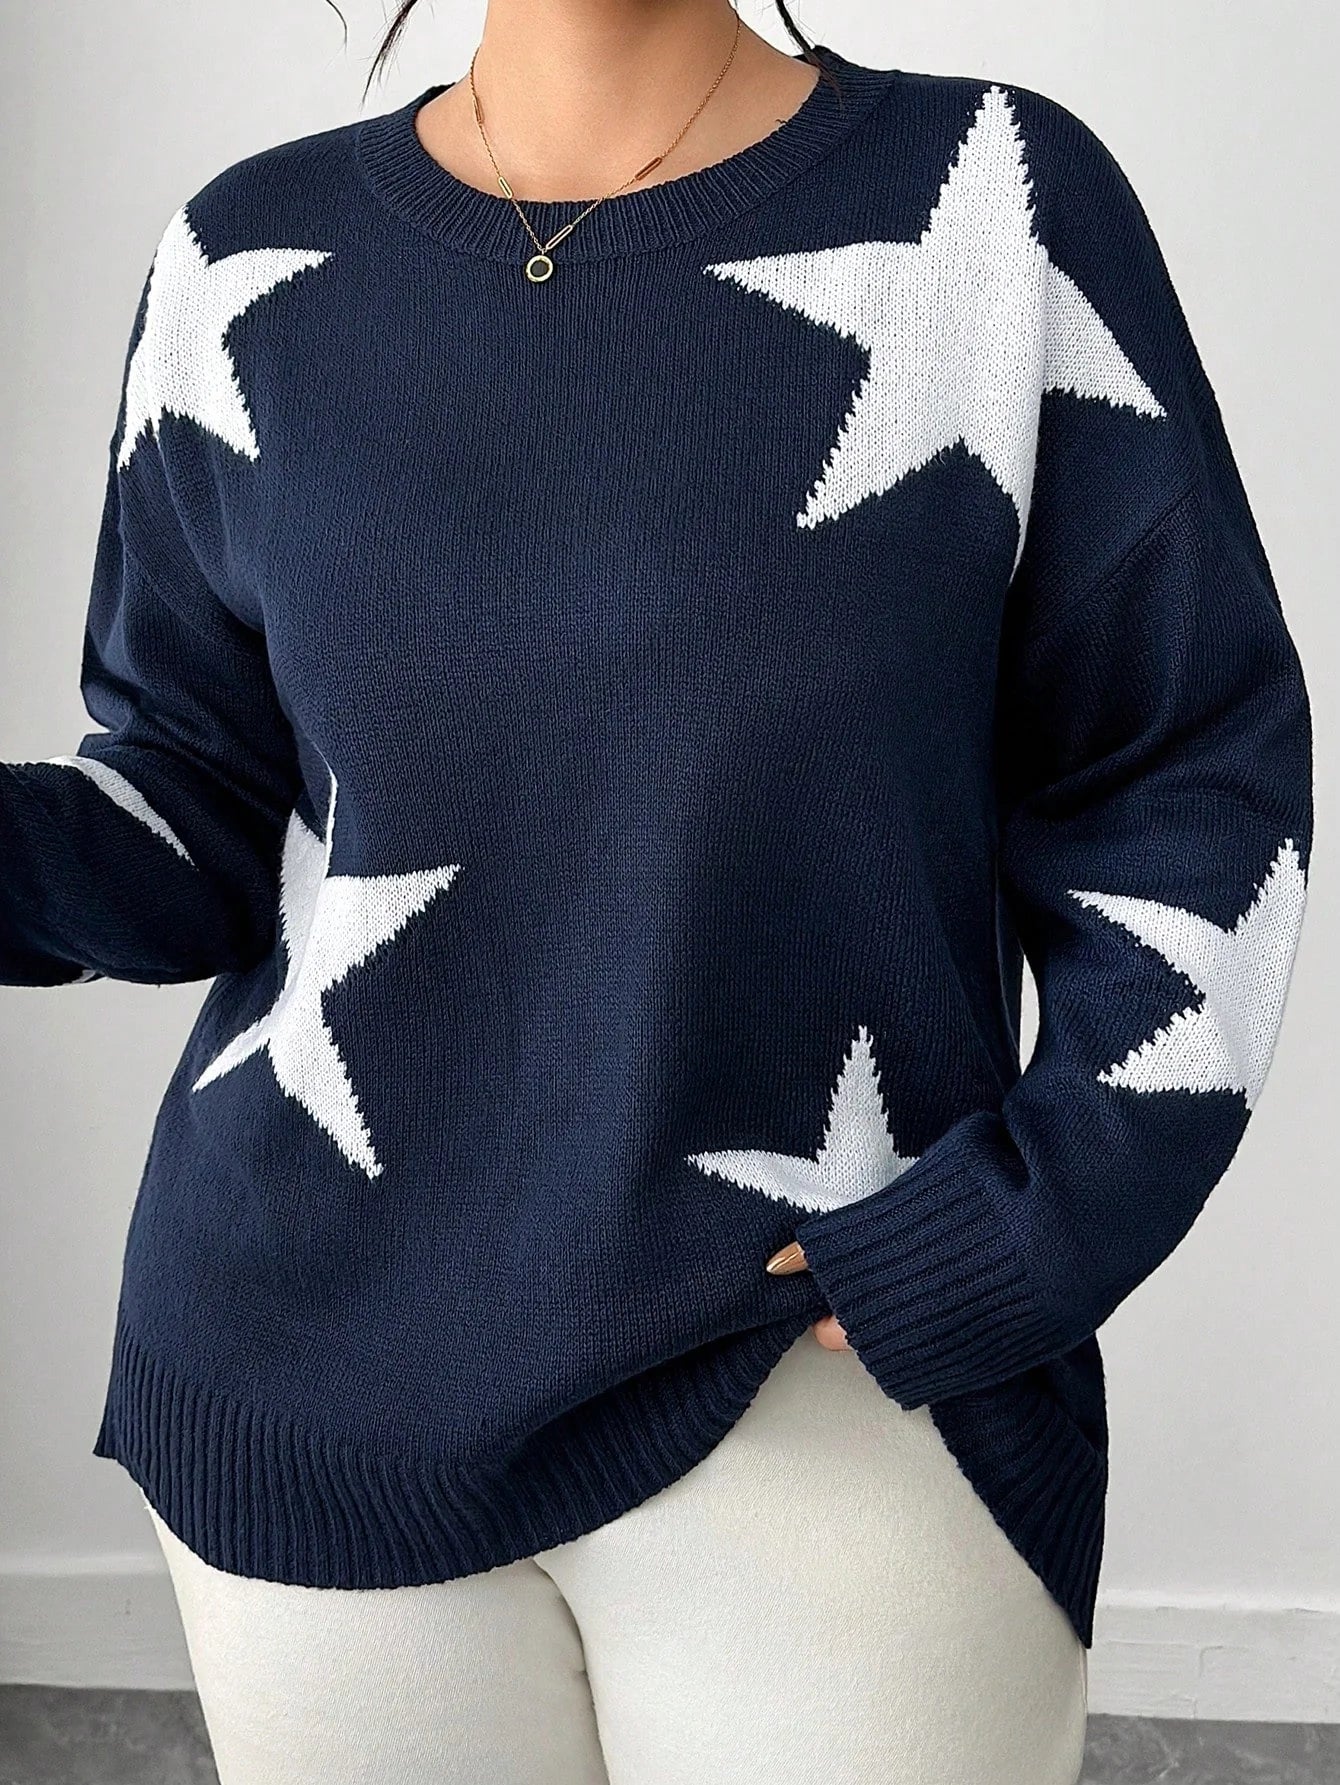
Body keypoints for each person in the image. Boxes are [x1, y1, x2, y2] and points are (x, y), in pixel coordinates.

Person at [1, 1, 1312, 1779]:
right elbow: (194, 804)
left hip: (823, 1382)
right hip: (308, 1380)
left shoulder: (992, 208)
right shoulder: (241, 260)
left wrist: (1022, 1228)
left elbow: (1192, 783)